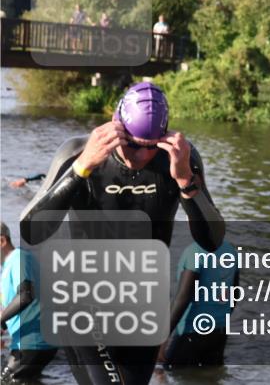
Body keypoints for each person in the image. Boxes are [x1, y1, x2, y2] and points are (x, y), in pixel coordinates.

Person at [20, 82, 225, 385]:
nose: (140, 155)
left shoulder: (180, 157)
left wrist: (185, 181)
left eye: (150, 146)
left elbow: (212, 241)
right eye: (132, 144)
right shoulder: (77, 152)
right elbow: (31, 231)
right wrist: (81, 169)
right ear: (117, 126)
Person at [155, 239, 239, 371]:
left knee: (165, 371)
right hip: (219, 333)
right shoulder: (230, 250)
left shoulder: (194, 252)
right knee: (210, 376)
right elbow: (235, 294)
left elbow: (183, 298)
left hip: (191, 332)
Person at [1, 223, 58, 382]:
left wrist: (1, 319)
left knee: (7, 381)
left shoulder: (19, 258)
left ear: (2, 241)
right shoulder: (7, 267)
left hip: (34, 340)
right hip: (25, 341)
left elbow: (25, 295)